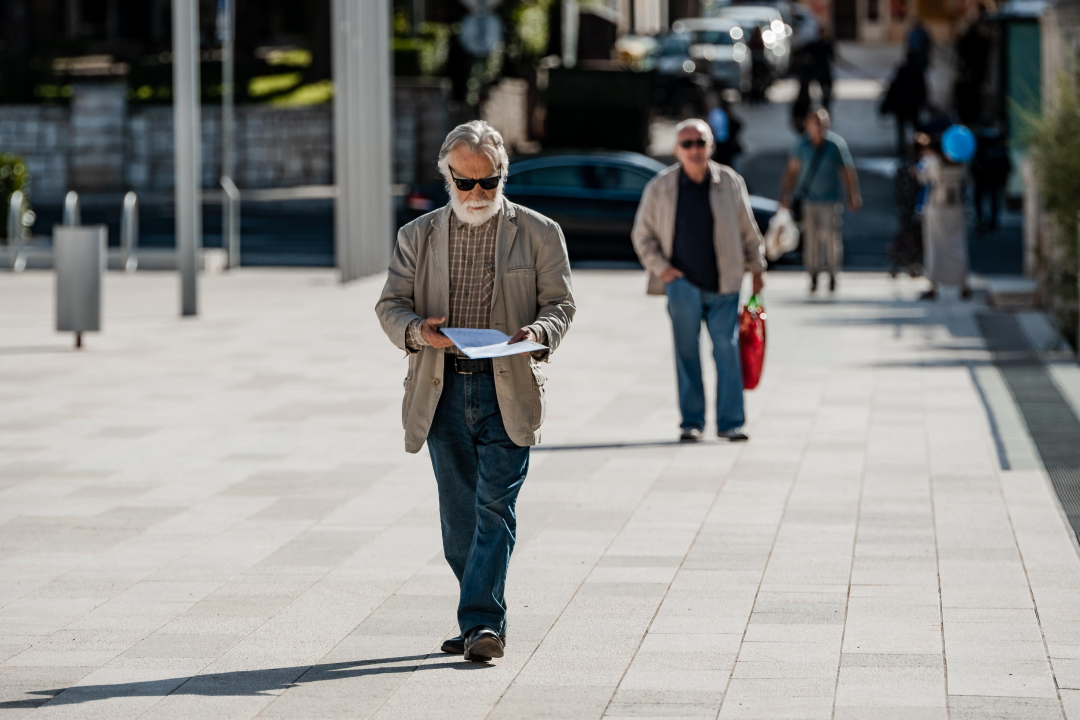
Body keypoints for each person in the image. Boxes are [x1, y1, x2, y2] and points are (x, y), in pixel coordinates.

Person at [375, 120, 575, 663]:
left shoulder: (540, 232)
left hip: (507, 389)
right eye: (464, 183)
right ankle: (477, 617)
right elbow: (390, 306)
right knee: (459, 520)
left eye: (488, 181)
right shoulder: (417, 235)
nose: (477, 193)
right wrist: (420, 331)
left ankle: (482, 623)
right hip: (440, 390)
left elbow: (561, 304)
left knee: (495, 506)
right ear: (447, 178)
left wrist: (538, 332)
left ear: (503, 175)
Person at [631, 119, 766, 443]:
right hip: (682, 285)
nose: (694, 149)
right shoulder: (661, 186)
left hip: (725, 285)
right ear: (677, 149)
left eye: (700, 142)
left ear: (711, 146)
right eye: (687, 144)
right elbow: (642, 234)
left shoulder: (730, 182)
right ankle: (691, 422)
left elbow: (748, 230)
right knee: (686, 354)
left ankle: (731, 423)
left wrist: (757, 269)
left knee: (727, 351)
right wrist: (663, 269)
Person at [779, 106, 862, 293]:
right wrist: (785, 194)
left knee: (831, 237)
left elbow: (847, 171)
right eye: (815, 122)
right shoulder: (801, 145)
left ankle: (833, 274)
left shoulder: (835, 144)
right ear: (807, 124)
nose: (818, 126)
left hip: (830, 200)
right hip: (809, 199)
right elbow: (791, 172)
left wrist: (852, 195)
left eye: (822, 122)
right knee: (811, 239)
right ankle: (813, 274)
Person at [916, 141, 971, 299]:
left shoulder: (933, 163)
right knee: (958, 244)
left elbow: (922, 178)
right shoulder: (962, 165)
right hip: (956, 209)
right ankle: (963, 285)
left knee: (934, 246)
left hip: (937, 208)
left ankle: (933, 286)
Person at [880, 50, 928, 159]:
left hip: (902, 105)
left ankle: (903, 150)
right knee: (915, 127)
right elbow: (922, 89)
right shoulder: (917, 70)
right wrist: (923, 102)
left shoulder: (902, 69)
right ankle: (917, 148)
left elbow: (894, 86)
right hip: (912, 105)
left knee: (902, 129)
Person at [971, 127, 1012, 232]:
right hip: (991, 179)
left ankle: (983, 221)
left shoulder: (982, 148)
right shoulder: (997, 149)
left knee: (983, 200)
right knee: (992, 200)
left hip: (985, 179)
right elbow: (1007, 166)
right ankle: (989, 222)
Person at [707, 95, 744, 168]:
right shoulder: (724, 112)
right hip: (727, 141)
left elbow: (713, 127)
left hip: (721, 141)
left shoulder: (715, 113)